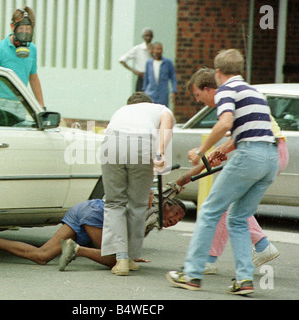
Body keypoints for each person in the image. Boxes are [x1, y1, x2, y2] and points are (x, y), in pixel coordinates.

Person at [166, 49, 279, 295]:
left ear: (217, 73)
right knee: (238, 219)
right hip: (270, 158)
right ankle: (244, 280)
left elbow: (225, 122)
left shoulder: (227, 89)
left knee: (208, 210)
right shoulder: (253, 91)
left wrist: (202, 151)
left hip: (249, 154)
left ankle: (191, 274)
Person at [184, 67, 288, 274]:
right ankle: (249, 252)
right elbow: (238, 136)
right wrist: (217, 153)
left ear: (208, 89)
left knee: (222, 204)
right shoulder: (238, 94)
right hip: (274, 151)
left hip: (265, 150)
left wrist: (203, 152)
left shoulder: (227, 96)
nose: (197, 100)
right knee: (231, 206)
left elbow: (231, 133)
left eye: (197, 95)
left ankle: (207, 262)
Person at [0, 194, 186, 272]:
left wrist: (133, 253)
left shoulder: (149, 223)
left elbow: (130, 239)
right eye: (175, 212)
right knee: (114, 260)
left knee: (42, 256)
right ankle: (76, 250)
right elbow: (183, 179)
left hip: (83, 210)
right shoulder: (152, 201)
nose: (175, 219)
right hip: (96, 213)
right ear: (166, 204)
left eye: (178, 220)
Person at [100, 92, 175, 276]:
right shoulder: (161, 109)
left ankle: (122, 258)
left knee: (114, 202)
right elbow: (166, 128)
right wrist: (159, 154)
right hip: (142, 144)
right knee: (138, 204)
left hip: (112, 142)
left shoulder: (122, 110)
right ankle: (131, 257)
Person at [0, 6, 44, 108]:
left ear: (33, 27)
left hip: (21, 105)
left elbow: (33, 78)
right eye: (21, 28)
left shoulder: (32, 49)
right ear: (12, 26)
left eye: (28, 29)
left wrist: (42, 107)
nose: (24, 32)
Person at [143, 42, 177, 107]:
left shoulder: (168, 63)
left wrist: (174, 90)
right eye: (157, 49)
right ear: (153, 50)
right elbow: (146, 78)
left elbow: (173, 77)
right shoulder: (149, 63)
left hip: (163, 93)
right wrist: (144, 91)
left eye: (160, 49)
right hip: (150, 93)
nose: (159, 51)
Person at [119, 27, 154, 92]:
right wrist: (135, 71)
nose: (148, 38)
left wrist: (151, 52)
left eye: (150, 36)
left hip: (153, 77)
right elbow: (122, 60)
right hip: (142, 77)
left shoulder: (155, 48)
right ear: (143, 37)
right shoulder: (138, 48)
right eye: (146, 35)